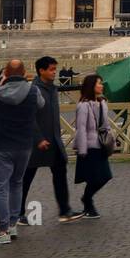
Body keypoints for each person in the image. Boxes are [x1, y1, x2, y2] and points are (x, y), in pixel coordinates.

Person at [0, 59, 44, 244]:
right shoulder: (34, 90)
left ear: (6, 73)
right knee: (17, 184)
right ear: (25, 73)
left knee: (0, 187)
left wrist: (0, 84)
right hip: (24, 146)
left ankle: (3, 230)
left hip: (3, 145)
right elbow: (41, 104)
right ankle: (14, 225)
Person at [20, 56, 83, 225]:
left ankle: (64, 210)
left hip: (54, 141)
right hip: (36, 143)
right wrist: (38, 138)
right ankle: (18, 212)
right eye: (51, 69)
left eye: (55, 69)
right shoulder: (33, 90)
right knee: (26, 178)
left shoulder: (53, 89)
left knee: (60, 175)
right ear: (41, 70)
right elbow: (29, 117)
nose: (54, 72)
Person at [72, 74, 113, 218]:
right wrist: (82, 149)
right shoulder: (83, 106)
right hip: (89, 146)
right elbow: (81, 128)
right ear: (91, 86)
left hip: (101, 144)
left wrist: (110, 139)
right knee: (94, 177)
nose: (101, 86)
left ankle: (86, 198)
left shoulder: (102, 103)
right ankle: (88, 203)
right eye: (99, 83)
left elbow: (106, 124)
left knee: (105, 176)